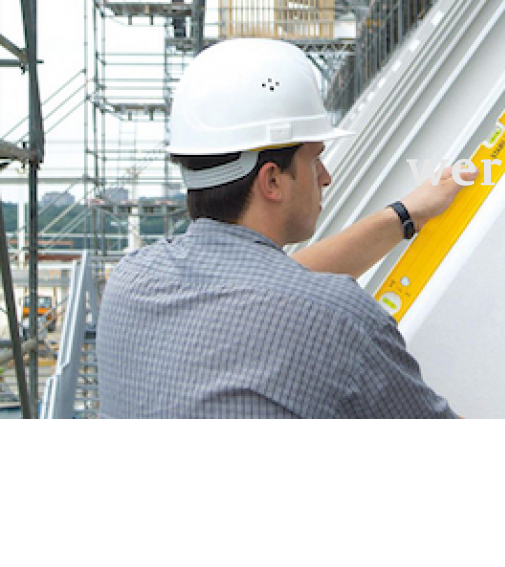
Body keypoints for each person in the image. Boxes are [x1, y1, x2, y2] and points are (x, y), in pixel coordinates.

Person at [96, 38, 475, 418]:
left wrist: (406, 214)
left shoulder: (130, 281)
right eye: (314, 160)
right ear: (272, 181)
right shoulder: (339, 321)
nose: (325, 177)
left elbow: (266, 288)